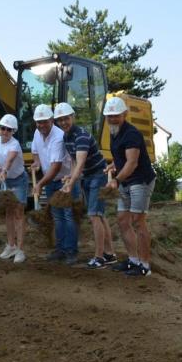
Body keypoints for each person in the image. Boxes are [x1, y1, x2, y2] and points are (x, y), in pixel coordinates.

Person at [53, 102, 117, 270]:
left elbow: (80, 163)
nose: (63, 122)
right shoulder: (67, 137)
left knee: (94, 215)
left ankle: (99, 257)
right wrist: (70, 175)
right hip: (88, 176)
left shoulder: (81, 135)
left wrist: (71, 183)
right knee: (100, 215)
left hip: (98, 176)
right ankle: (110, 254)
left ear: (72, 117)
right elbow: (74, 161)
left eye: (66, 118)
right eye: (60, 120)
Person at [102, 97, 157, 277]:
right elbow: (123, 159)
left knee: (137, 221)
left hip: (140, 180)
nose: (112, 119)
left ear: (124, 114)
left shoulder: (131, 134)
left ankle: (145, 266)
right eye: (109, 116)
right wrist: (114, 165)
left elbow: (132, 163)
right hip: (126, 180)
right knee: (122, 220)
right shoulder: (113, 131)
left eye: (115, 116)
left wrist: (115, 180)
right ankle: (133, 260)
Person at [29, 104, 78, 266]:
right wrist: (36, 162)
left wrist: (40, 184)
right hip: (51, 181)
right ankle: (60, 250)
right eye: (38, 122)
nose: (41, 125)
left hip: (65, 181)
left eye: (45, 122)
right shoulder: (37, 132)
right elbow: (35, 151)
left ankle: (71, 251)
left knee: (68, 216)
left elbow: (56, 166)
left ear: (51, 120)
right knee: (57, 216)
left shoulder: (58, 136)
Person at [0, 114, 29, 264]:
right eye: (3, 128)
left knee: (18, 213)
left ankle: (20, 250)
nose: (5, 132)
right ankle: (11, 245)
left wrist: (4, 170)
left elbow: (9, 160)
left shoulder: (15, 145)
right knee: (8, 213)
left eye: (9, 129)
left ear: (13, 131)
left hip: (19, 180)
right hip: (5, 179)